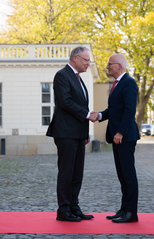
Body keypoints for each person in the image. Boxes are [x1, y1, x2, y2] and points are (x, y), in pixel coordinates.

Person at [46, 46, 98, 222]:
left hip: (77, 133)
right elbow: (65, 102)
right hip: (65, 132)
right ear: (75, 58)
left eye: (89, 61)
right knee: (66, 172)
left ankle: (74, 206)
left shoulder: (79, 79)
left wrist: (85, 131)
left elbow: (81, 105)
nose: (88, 64)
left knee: (77, 172)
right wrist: (86, 116)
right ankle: (63, 209)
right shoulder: (62, 75)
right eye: (86, 60)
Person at [97, 54, 140, 223]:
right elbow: (113, 110)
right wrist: (99, 115)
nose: (107, 67)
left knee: (128, 175)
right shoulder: (118, 84)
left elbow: (130, 111)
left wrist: (120, 132)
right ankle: (124, 209)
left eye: (110, 64)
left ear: (120, 66)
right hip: (118, 137)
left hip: (125, 137)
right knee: (122, 175)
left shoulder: (129, 83)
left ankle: (131, 213)